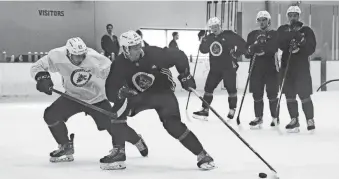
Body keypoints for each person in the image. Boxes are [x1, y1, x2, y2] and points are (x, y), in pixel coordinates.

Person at [101, 30, 215, 170]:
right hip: (138, 95)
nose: (139, 50)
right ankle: (119, 152)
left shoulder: (154, 53)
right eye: (134, 48)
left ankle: (202, 154)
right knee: (116, 113)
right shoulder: (119, 63)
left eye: (139, 45)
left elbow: (179, 55)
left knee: (173, 125)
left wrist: (185, 76)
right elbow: (110, 89)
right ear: (125, 49)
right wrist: (120, 93)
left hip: (162, 93)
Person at [30, 37, 148, 169]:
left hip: (96, 99)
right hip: (72, 96)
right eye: (76, 56)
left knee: (113, 126)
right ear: (68, 53)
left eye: (82, 56)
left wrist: (123, 87)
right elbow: (37, 66)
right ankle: (65, 145)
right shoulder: (57, 55)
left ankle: (136, 139)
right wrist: (42, 77)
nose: (80, 59)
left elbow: (114, 74)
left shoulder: (95, 59)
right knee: (50, 115)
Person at [192, 17, 246, 120]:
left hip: (228, 67)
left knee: (231, 89)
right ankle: (205, 110)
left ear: (219, 25)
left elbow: (242, 43)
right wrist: (203, 42)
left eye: (215, 26)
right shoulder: (209, 38)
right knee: (208, 88)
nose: (214, 29)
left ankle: (232, 109)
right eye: (212, 27)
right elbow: (203, 50)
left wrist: (237, 54)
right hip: (215, 68)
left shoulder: (229, 35)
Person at [277, 6, 316, 133]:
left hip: (301, 68)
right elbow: (279, 44)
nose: (293, 18)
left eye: (295, 15)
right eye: (290, 15)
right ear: (287, 16)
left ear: (299, 16)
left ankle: (310, 119)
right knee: (290, 95)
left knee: (304, 95)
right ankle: (294, 119)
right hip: (287, 67)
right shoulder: (283, 29)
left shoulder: (307, 30)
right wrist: (289, 38)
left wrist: (300, 42)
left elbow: (311, 48)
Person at [246, 11, 280, 129]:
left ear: (268, 21)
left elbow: (274, 47)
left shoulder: (274, 34)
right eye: (259, 20)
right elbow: (247, 52)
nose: (261, 22)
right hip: (256, 69)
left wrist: (263, 48)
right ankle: (258, 117)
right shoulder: (252, 34)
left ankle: (275, 117)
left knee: (272, 95)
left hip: (271, 69)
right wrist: (252, 48)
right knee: (257, 95)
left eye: (264, 20)